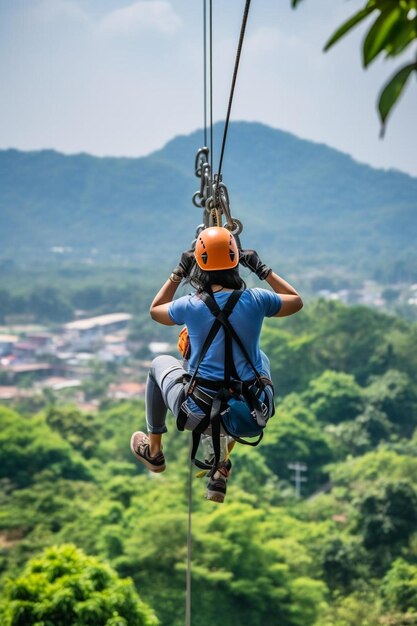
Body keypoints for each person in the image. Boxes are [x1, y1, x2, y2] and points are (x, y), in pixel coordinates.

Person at [130, 227, 302, 502]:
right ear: (237, 261)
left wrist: (179, 271)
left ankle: (154, 451)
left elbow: (156, 310)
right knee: (260, 359)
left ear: (199, 263)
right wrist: (261, 268)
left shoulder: (190, 304)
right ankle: (219, 464)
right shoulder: (256, 299)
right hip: (251, 410)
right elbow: (295, 301)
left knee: (158, 365)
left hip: (197, 411)